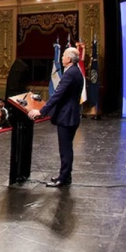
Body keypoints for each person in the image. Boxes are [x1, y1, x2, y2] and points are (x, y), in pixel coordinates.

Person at [28, 46, 83, 187]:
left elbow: (58, 94)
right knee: (66, 148)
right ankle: (65, 176)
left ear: (69, 59)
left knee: (65, 149)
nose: (61, 58)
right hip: (72, 115)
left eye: (63, 55)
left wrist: (41, 111)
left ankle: (63, 178)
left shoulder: (70, 73)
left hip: (67, 116)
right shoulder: (76, 71)